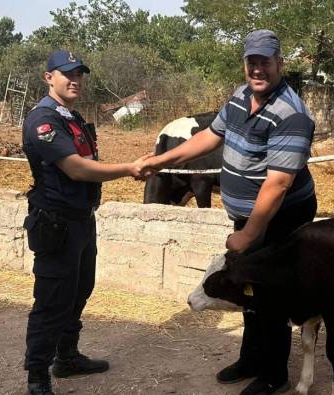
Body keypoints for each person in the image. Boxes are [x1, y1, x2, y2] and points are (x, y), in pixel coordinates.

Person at [136, 29, 317, 395]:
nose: (258, 69)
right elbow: (210, 136)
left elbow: (278, 185)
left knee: (270, 293)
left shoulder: (292, 114)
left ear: (280, 63)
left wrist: (249, 234)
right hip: (248, 216)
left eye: (265, 61)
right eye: (252, 61)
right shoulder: (240, 95)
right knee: (246, 289)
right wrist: (161, 161)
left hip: (280, 217)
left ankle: (273, 373)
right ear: (245, 63)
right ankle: (251, 358)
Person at [21, 50, 148, 395]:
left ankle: (67, 357)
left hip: (80, 221)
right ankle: (37, 376)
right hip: (56, 224)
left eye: (79, 74)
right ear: (49, 77)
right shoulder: (43, 121)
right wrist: (128, 168)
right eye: (67, 74)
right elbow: (75, 167)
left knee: (79, 291)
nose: (75, 79)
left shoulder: (70, 116)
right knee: (52, 300)